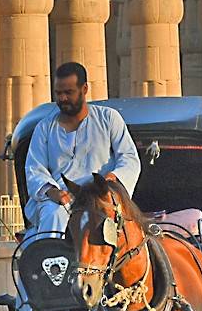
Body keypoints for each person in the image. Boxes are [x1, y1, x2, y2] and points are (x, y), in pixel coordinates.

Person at [24, 61, 141, 236]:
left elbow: (129, 158)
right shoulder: (45, 127)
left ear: (84, 89)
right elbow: (34, 168)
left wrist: (113, 178)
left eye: (68, 92)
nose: (62, 98)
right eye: (58, 93)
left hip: (99, 195)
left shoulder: (108, 119)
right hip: (62, 199)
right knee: (53, 214)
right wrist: (53, 192)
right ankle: (54, 261)